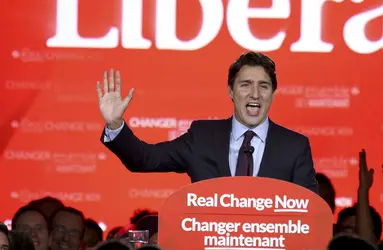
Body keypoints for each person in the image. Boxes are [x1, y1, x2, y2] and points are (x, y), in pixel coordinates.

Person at [97, 52, 317, 193]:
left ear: (273, 93)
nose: (255, 94)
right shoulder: (202, 137)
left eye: (264, 86)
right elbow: (145, 159)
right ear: (231, 91)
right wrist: (116, 124)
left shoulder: (295, 146)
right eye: (245, 85)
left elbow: (309, 212)